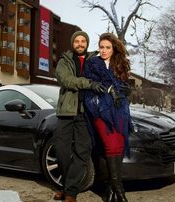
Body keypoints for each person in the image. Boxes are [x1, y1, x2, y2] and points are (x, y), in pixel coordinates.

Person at [53, 31, 106, 202]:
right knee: (62, 152)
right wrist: (88, 83)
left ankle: (70, 192)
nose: (80, 44)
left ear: (87, 43)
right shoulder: (64, 61)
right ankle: (64, 185)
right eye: (77, 41)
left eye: (83, 41)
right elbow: (67, 80)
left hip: (86, 114)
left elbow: (104, 79)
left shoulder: (94, 61)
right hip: (66, 113)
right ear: (72, 43)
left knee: (82, 153)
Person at [83, 33, 132, 202]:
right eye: (101, 47)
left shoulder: (120, 64)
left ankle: (112, 190)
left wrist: (126, 90)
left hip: (119, 110)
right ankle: (120, 190)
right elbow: (88, 88)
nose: (103, 50)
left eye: (107, 48)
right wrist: (106, 90)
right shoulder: (92, 64)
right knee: (111, 146)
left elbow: (124, 86)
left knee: (117, 147)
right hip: (100, 110)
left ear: (114, 49)